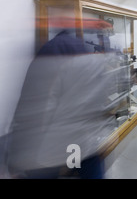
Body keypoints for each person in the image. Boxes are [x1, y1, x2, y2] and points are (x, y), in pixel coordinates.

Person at [6, 19, 124, 179]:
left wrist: (16, 155)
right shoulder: (85, 55)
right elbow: (100, 102)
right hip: (84, 141)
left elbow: (35, 107)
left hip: (53, 144)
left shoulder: (50, 54)